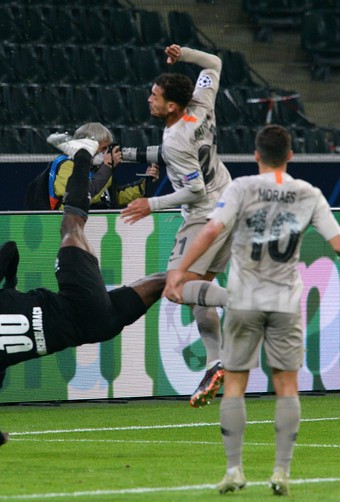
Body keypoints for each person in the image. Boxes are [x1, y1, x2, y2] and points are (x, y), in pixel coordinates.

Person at [163, 125, 340, 497]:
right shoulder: (307, 193)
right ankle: (281, 472)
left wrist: (180, 271)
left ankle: (234, 470)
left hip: (244, 300)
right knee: (286, 386)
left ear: (255, 155)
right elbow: (339, 242)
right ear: (291, 156)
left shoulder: (241, 188)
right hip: (284, 303)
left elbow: (210, 232)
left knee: (235, 384)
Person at [0, 132, 194, 448]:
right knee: (71, 225)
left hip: (97, 327)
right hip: (78, 300)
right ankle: (81, 154)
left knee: (165, 280)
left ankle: (212, 278)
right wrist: (10, 286)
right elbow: (8, 248)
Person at [119, 45, 233, 407]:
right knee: (200, 291)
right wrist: (184, 53)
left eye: (155, 96)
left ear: (171, 106)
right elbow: (213, 63)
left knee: (175, 287)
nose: (149, 99)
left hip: (204, 216)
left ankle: (243, 303)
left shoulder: (176, 138)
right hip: (229, 200)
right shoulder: (201, 103)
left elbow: (193, 188)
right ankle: (217, 362)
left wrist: (150, 204)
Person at [24, 122, 158, 210]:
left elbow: (112, 197)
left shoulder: (96, 169)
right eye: (103, 148)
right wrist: (107, 167)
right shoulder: (66, 165)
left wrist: (143, 185)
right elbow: (83, 195)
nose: (106, 153)